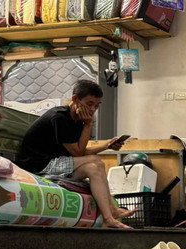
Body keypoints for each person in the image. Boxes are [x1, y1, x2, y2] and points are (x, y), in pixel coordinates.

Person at [16, 79, 134, 229]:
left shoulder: (78, 120)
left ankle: (108, 218)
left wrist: (107, 145)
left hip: (57, 162)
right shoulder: (60, 117)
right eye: (89, 104)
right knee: (95, 161)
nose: (92, 110)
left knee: (92, 167)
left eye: (97, 106)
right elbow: (78, 153)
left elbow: (80, 151)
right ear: (75, 99)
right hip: (38, 164)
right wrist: (88, 125)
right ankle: (110, 210)